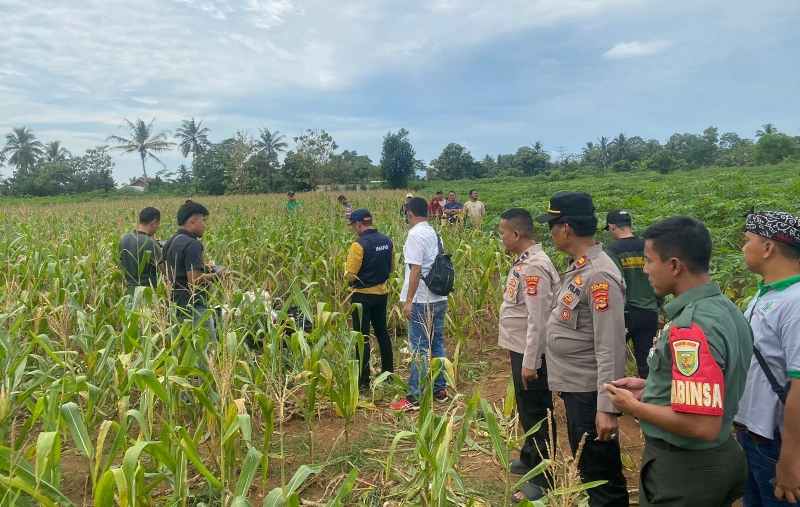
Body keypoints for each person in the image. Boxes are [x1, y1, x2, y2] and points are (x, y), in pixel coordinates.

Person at [606, 216, 752, 507]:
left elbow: (701, 425)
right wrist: (652, 387)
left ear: (674, 265)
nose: (645, 270)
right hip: (714, 459)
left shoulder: (692, 326)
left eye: (649, 261)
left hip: (687, 470)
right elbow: (709, 387)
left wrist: (634, 407)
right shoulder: (724, 309)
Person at [535, 191, 629, 507]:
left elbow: (610, 346)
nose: (550, 232)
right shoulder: (580, 268)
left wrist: (607, 407)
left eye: (552, 225)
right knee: (590, 471)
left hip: (591, 394)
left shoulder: (599, 275)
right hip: (577, 389)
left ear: (566, 228)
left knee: (601, 477)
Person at [735, 211, 800, 506]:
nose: (743, 247)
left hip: (777, 444)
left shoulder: (795, 303)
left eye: (747, 240)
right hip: (755, 436)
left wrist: (790, 460)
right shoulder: (766, 295)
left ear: (768, 247)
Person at [497, 208, 560, 502]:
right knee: (526, 408)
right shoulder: (524, 263)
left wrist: (531, 362)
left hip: (529, 353)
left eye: (502, 233)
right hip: (521, 348)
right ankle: (529, 457)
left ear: (516, 234)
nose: (501, 238)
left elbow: (539, 318)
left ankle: (542, 477)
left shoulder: (534, 267)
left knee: (536, 411)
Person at [390, 197, 449, 411]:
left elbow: (415, 271)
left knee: (419, 348)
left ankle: (415, 397)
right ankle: (439, 389)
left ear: (409, 213)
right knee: (437, 345)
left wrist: (408, 301)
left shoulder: (415, 235)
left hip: (422, 300)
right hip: (439, 298)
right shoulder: (434, 232)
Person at [604, 210, 660, 378]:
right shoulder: (648, 246)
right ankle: (649, 398)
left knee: (613, 361)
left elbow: (616, 285)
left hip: (624, 315)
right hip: (649, 311)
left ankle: (616, 399)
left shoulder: (611, 251)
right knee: (647, 363)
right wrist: (657, 304)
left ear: (613, 227)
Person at [344, 208, 394, 391]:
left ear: (358, 224)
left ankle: (363, 381)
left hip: (362, 297)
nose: (353, 229)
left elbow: (350, 276)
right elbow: (391, 268)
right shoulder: (387, 241)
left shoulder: (358, 245)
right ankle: (389, 374)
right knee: (382, 333)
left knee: (361, 337)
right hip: (382, 293)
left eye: (353, 226)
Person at [163, 200, 224, 341]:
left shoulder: (171, 241)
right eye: (203, 221)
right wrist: (218, 275)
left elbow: (166, 268)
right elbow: (195, 281)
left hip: (176, 304)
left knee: (183, 350)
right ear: (192, 221)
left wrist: (203, 267)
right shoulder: (193, 244)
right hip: (194, 306)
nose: (204, 225)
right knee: (206, 350)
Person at [119, 207, 162, 295]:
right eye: (158, 224)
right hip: (146, 293)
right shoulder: (151, 243)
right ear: (153, 223)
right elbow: (164, 271)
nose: (157, 227)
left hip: (128, 292)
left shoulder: (124, 239)